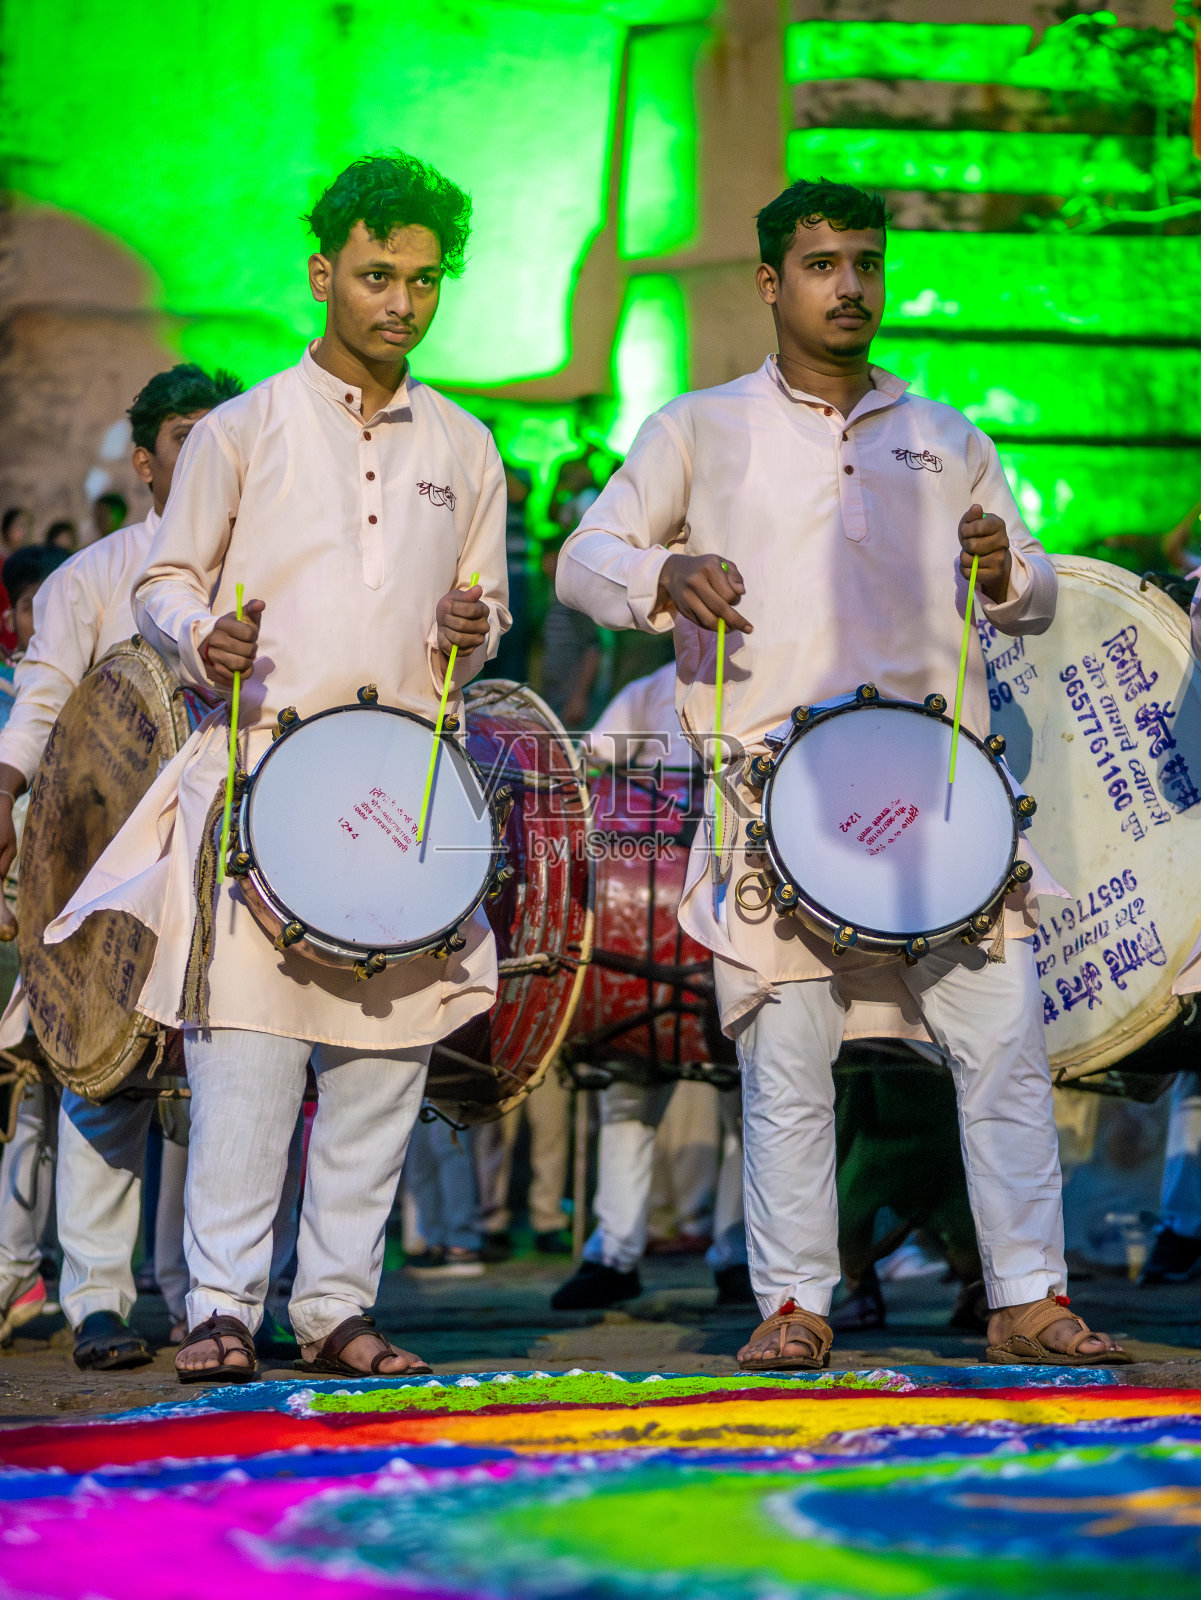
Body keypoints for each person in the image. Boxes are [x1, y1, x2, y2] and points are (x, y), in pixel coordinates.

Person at [555, 177, 1128, 1370]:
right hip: (777, 800)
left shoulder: (943, 435)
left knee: (1002, 1044)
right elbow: (584, 558)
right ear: (771, 282)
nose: (850, 286)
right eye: (822, 265)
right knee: (788, 1055)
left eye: (864, 262)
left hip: (938, 797)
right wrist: (667, 576)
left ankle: (1026, 1294)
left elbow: (1034, 595)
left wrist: (1004, 569)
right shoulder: (697, 429)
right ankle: (794, 1302)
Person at [46, 152, 508, 1383]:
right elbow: (162, 578)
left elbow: (488, 601)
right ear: (324, 273)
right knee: (247, 1060)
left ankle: (340, 1309)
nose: (399, 302)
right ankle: (219, 1308)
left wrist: (477, 626)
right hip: (255, 782)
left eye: (421, 279)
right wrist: (204, 636)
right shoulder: (244, 430)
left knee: (379, 1063)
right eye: (375, 274)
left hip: (403, 793)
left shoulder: (466, 446)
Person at [0, 365, 243, 1368]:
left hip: (238, 858)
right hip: (110, 865)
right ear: (145, 460)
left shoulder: (269, 562)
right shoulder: (92, 577)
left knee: (230, 1076)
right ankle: (99, 1296)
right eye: (188, 436)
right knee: (104, 1075)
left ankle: (207, 1297)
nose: (208, 453)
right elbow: (46, 705)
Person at [552, 664, 750, 1311]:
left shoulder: (777, 671)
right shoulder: (648, 690)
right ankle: (614, 1252)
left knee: (751, 1101)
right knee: (627, 1090)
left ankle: (740, 1252)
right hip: (645, 929)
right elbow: (589, 774)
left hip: (738, 917)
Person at [0, 543, 72, 1341]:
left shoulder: (96, 710)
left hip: (53, 929)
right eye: (32, 607)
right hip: (10, 924)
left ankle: (22, 1270)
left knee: (40, 1107)